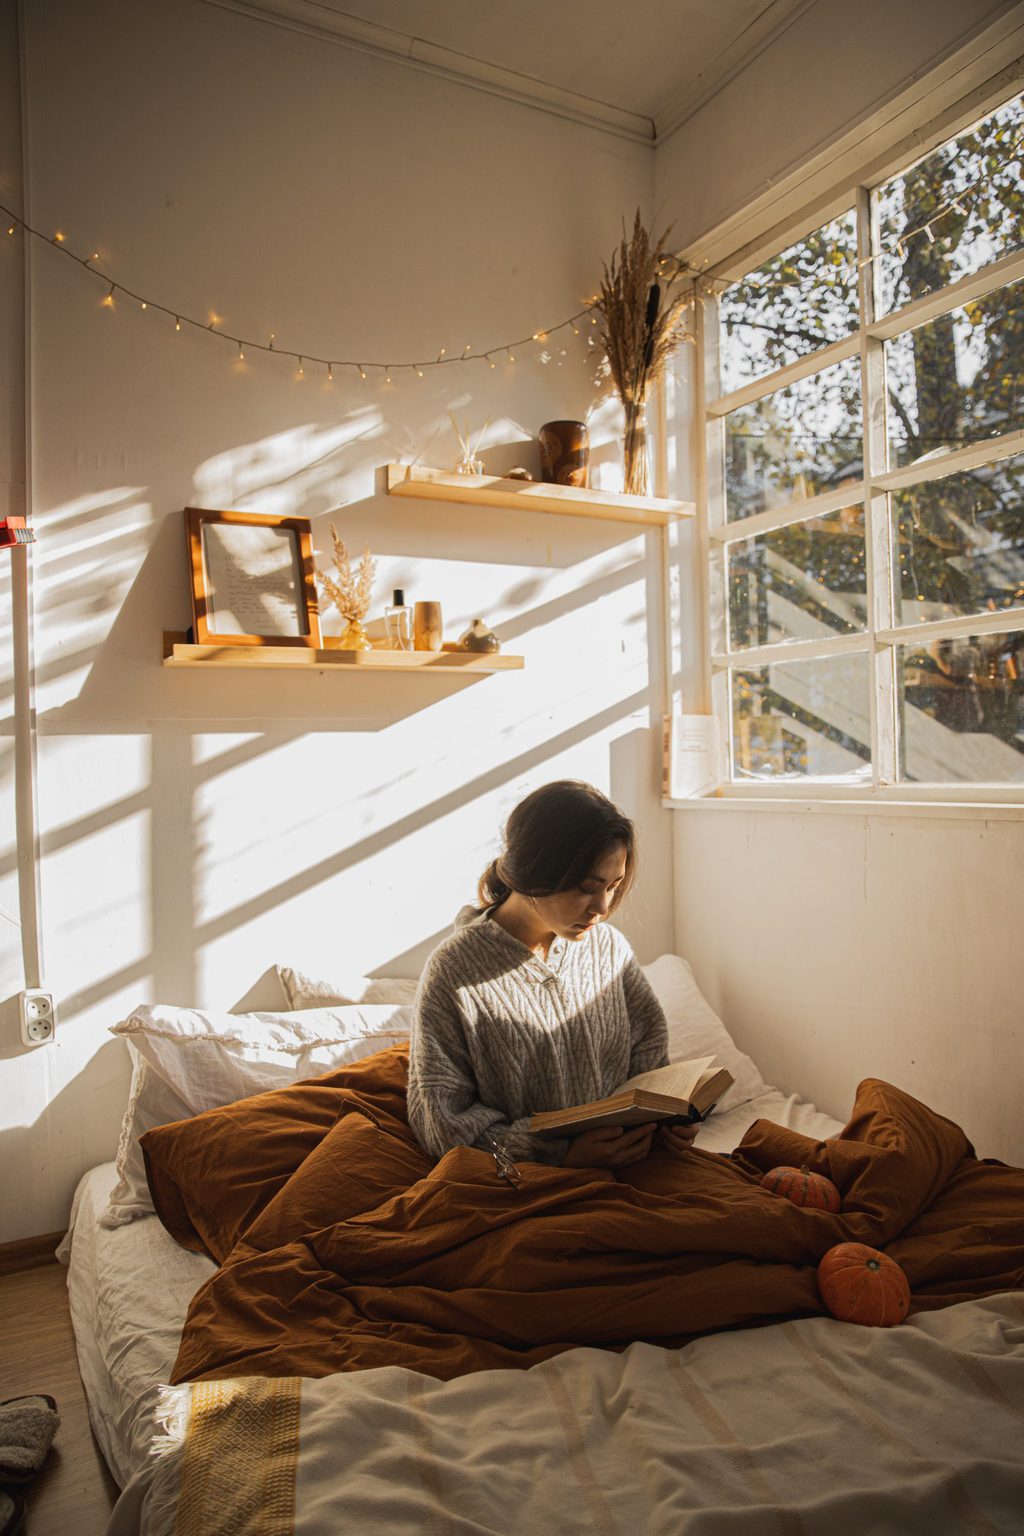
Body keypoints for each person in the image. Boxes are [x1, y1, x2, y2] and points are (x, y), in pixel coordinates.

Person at [407, 781, 698, 1171]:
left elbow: (650, 1062)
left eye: (613, 886)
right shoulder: (455, 972)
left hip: (637, 1165)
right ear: (535, 870)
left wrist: (671, 1121)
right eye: (586, 888)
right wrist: (561, 1156)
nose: (602, 907)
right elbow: (442, 1121)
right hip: (533, 1184)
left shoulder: (608, 948)